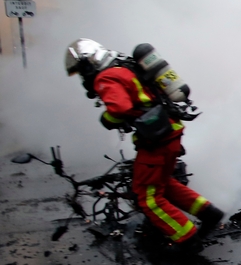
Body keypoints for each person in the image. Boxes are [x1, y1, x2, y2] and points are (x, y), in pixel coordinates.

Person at [65, 38, 224, 253]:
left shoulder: (106, 77)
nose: (83, 78)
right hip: (170, 131)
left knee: (147, 198)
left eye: (81, 72)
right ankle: (209, 214)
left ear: (87, 64)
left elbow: (119, 109)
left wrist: (107, 120)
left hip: (156, 141)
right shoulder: (124, 67)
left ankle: (187, 239)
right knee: (162, 184)